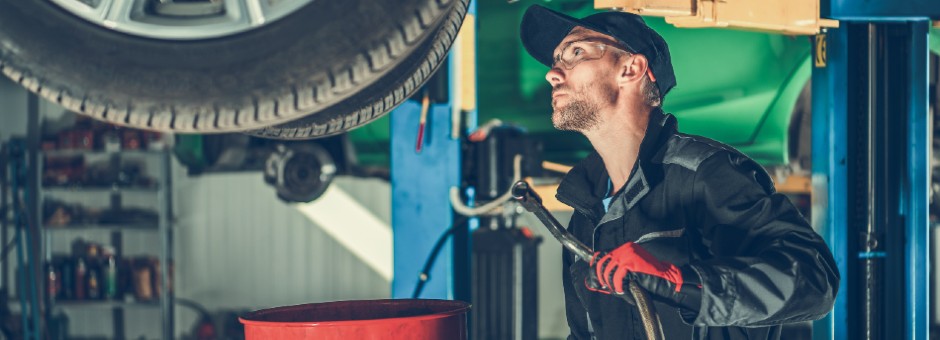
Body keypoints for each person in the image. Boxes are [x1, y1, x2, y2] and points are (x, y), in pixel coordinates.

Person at [519, 5, 839, 340]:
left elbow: (815, 281)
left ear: (630, 68)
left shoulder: (706, 173)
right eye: (557, 60)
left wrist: (679, 281)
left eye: (576, 52)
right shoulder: (585, 212)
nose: (552, 73)